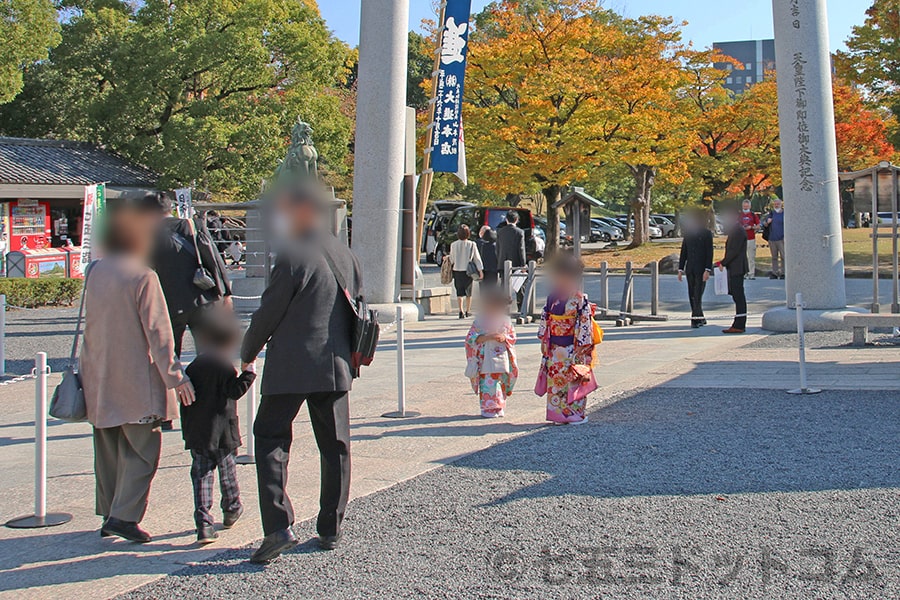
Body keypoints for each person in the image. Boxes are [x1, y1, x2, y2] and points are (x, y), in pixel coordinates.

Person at [241, 181, 364, 563]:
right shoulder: (345, 254)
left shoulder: (292, 255)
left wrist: (246, 351)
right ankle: (331, 526)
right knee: (336, 445)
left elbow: (269, 312)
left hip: (291, 364)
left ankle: (278, 526)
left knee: (271, 439)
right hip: (335, 364)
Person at [80, 194, 196, 543]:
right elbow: (160, 336)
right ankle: (124, 516)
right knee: (143, 450)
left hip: (99, 375)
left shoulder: (96, 271)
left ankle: (110, 511)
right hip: (135, 378)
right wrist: (176, 377)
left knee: (109, 449)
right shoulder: (143, 276)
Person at [180, 311, 256, 544]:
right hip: (223, 433)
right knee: (227, 473)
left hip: (199, 433)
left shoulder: (193, 368)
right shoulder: (224, 368)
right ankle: (231, 507)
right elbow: (234, 391)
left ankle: (203, 522)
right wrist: (248, 374)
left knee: (201, 476)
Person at [151, 208, 233, 358]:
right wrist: (226, 292)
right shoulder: (192, 225)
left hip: (169, 303)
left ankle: (174, 381)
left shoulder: (150, 234)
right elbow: (213, 258)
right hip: (201, 297)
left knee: (169, 355)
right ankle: (204, 380)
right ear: (170, 209)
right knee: (208, 354)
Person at [536, 254, 598, 425]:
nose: (561, 278)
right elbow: (546, 319)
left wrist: (582, 345)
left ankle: (574, 414)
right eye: (559, 274)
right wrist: (544, 338)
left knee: (574, 378)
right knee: (556, 380)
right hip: (555, 347)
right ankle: (558, 414)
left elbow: (584, 322)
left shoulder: (579, 298)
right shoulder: (552, 297)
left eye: (566, 275)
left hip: (573, 346)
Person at [465, 289, 518, 418]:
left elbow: (512, 337)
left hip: (501, 354)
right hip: (485, 355)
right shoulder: (480, 321)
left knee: (500, 380)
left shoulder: (506, 320)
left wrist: (504, 337)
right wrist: (487, 337)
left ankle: (499, 406)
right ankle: (487, 408)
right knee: (487, 381)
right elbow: (470, 338)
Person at [677, 210, 714, 329]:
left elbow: (709, 253)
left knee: (698, 293)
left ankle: (695, 319)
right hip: (690, 268)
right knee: (691, 293)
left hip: (701, 268)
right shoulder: (688, 234)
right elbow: (684, 252)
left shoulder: (706, 234)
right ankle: (700, 316)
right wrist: (680, 269)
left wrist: (708, 269)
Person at [718, 208, 749, 334]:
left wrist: (723, 262)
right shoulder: (736, 230)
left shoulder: (738, 230)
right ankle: (738, 323)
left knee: (739, 296)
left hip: (737, 267)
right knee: (737, 296)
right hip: (735, 267)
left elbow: (734, 250)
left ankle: (739, 324)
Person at [448, 224, 483, 319]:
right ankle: (468, 310)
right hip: (468, 271)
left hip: (457, 269)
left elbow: (451, 259)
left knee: (459, 291)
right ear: (468, 234)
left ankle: (460, 311)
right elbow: (477, 258)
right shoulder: (472, 244)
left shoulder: (453, 245)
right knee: (468, 292)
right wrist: (480, 270)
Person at [497, 210, 527, 310]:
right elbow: (521, 249)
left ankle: (502, 308)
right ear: (517, 220)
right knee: (519, 286)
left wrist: (499, 260)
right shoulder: (519, 232)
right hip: (516, 263)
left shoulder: (500, 232)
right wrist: (523, 264)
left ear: (506, 220)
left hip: (502, 262)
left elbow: (497, 248)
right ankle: (521, 308)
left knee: (504, 287)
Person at [739, 199, 760, 279]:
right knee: (742, 257)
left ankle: (751, 273)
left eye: (747, 206)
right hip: (741, 239)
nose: (745, 207)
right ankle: (744, 273)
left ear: (750, 206)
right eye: (744, 206)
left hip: (751, 238)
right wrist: (741, 228)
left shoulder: (753, 215)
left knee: (751, 257)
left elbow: (758, 226)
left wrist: (751, 227)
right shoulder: (739, 215)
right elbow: (735, 225)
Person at [765, 198, 786, 279]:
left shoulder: (784, 213)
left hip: (781, 238)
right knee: (774, 257)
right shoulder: (771, 213)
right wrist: (768, 222)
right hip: (772, 238)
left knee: (783, 256)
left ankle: (783, 272)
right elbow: (765, 224)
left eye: (778, 204)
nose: (776, 205)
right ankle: (775, 272)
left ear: (781, 204)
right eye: (775, 204)